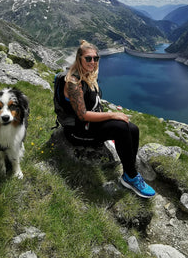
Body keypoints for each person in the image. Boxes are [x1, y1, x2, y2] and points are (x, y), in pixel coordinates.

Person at [61, 39, 156, 199]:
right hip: (77, 132)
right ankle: (131, 177)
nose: (93, 62)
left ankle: (129, 171)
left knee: (132, 128)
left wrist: (109, 122)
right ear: (79, 59)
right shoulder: (73, 82)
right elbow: (82, 115)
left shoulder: (88, 76)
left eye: (96, 58)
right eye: (88, 58)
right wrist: (112, 115)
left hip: (90, 126)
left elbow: (94, 105)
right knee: (120, 128)